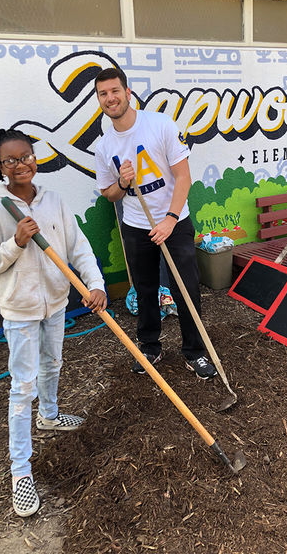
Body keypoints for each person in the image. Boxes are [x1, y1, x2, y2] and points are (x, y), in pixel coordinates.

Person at [0, 128, 108, 518]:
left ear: (36, 157)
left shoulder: (54, 201)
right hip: (20, 310)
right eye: (10, 160)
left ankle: (49, 416)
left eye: (25, 156)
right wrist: (15, 242)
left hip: (57, 303)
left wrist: (95, 284)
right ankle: (20, 472)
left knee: (53, 365)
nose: (20, 165)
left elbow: (78, 247)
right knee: (22, 386)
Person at [92, 67, 218, 381]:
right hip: (136, 225)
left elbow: (184, 176)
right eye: (103, 94)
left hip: (175, 220)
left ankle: (196, 352)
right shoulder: (105, 146)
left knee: (186, 288)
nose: (110, 98)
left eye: (114, 91)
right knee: (145, 289)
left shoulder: (159, 125)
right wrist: (122, 183)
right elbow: (109, 194)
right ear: (99, 100)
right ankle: (150, 347)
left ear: (127, 92)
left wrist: (170, 220)